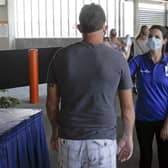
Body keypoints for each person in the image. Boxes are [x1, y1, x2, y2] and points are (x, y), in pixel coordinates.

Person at [46, 3, 135, 168]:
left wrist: (54, 131)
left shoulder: (60, 57)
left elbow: (51, 105)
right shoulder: (118, 59)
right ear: (105, 27)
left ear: (79, 28)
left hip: (69, 138)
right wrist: (128, 136)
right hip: (104, 141)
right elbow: (128, 108)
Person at [129, 25, 168, 168]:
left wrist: (167, 124)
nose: (152, 39)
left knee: (165, 158)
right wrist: (125, 56)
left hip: (163, 120)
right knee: (145, 157)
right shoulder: (139, 61)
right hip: (143, 119)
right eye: (150, 36)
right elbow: (123, 76)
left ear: (164, 40)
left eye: (157, 37)